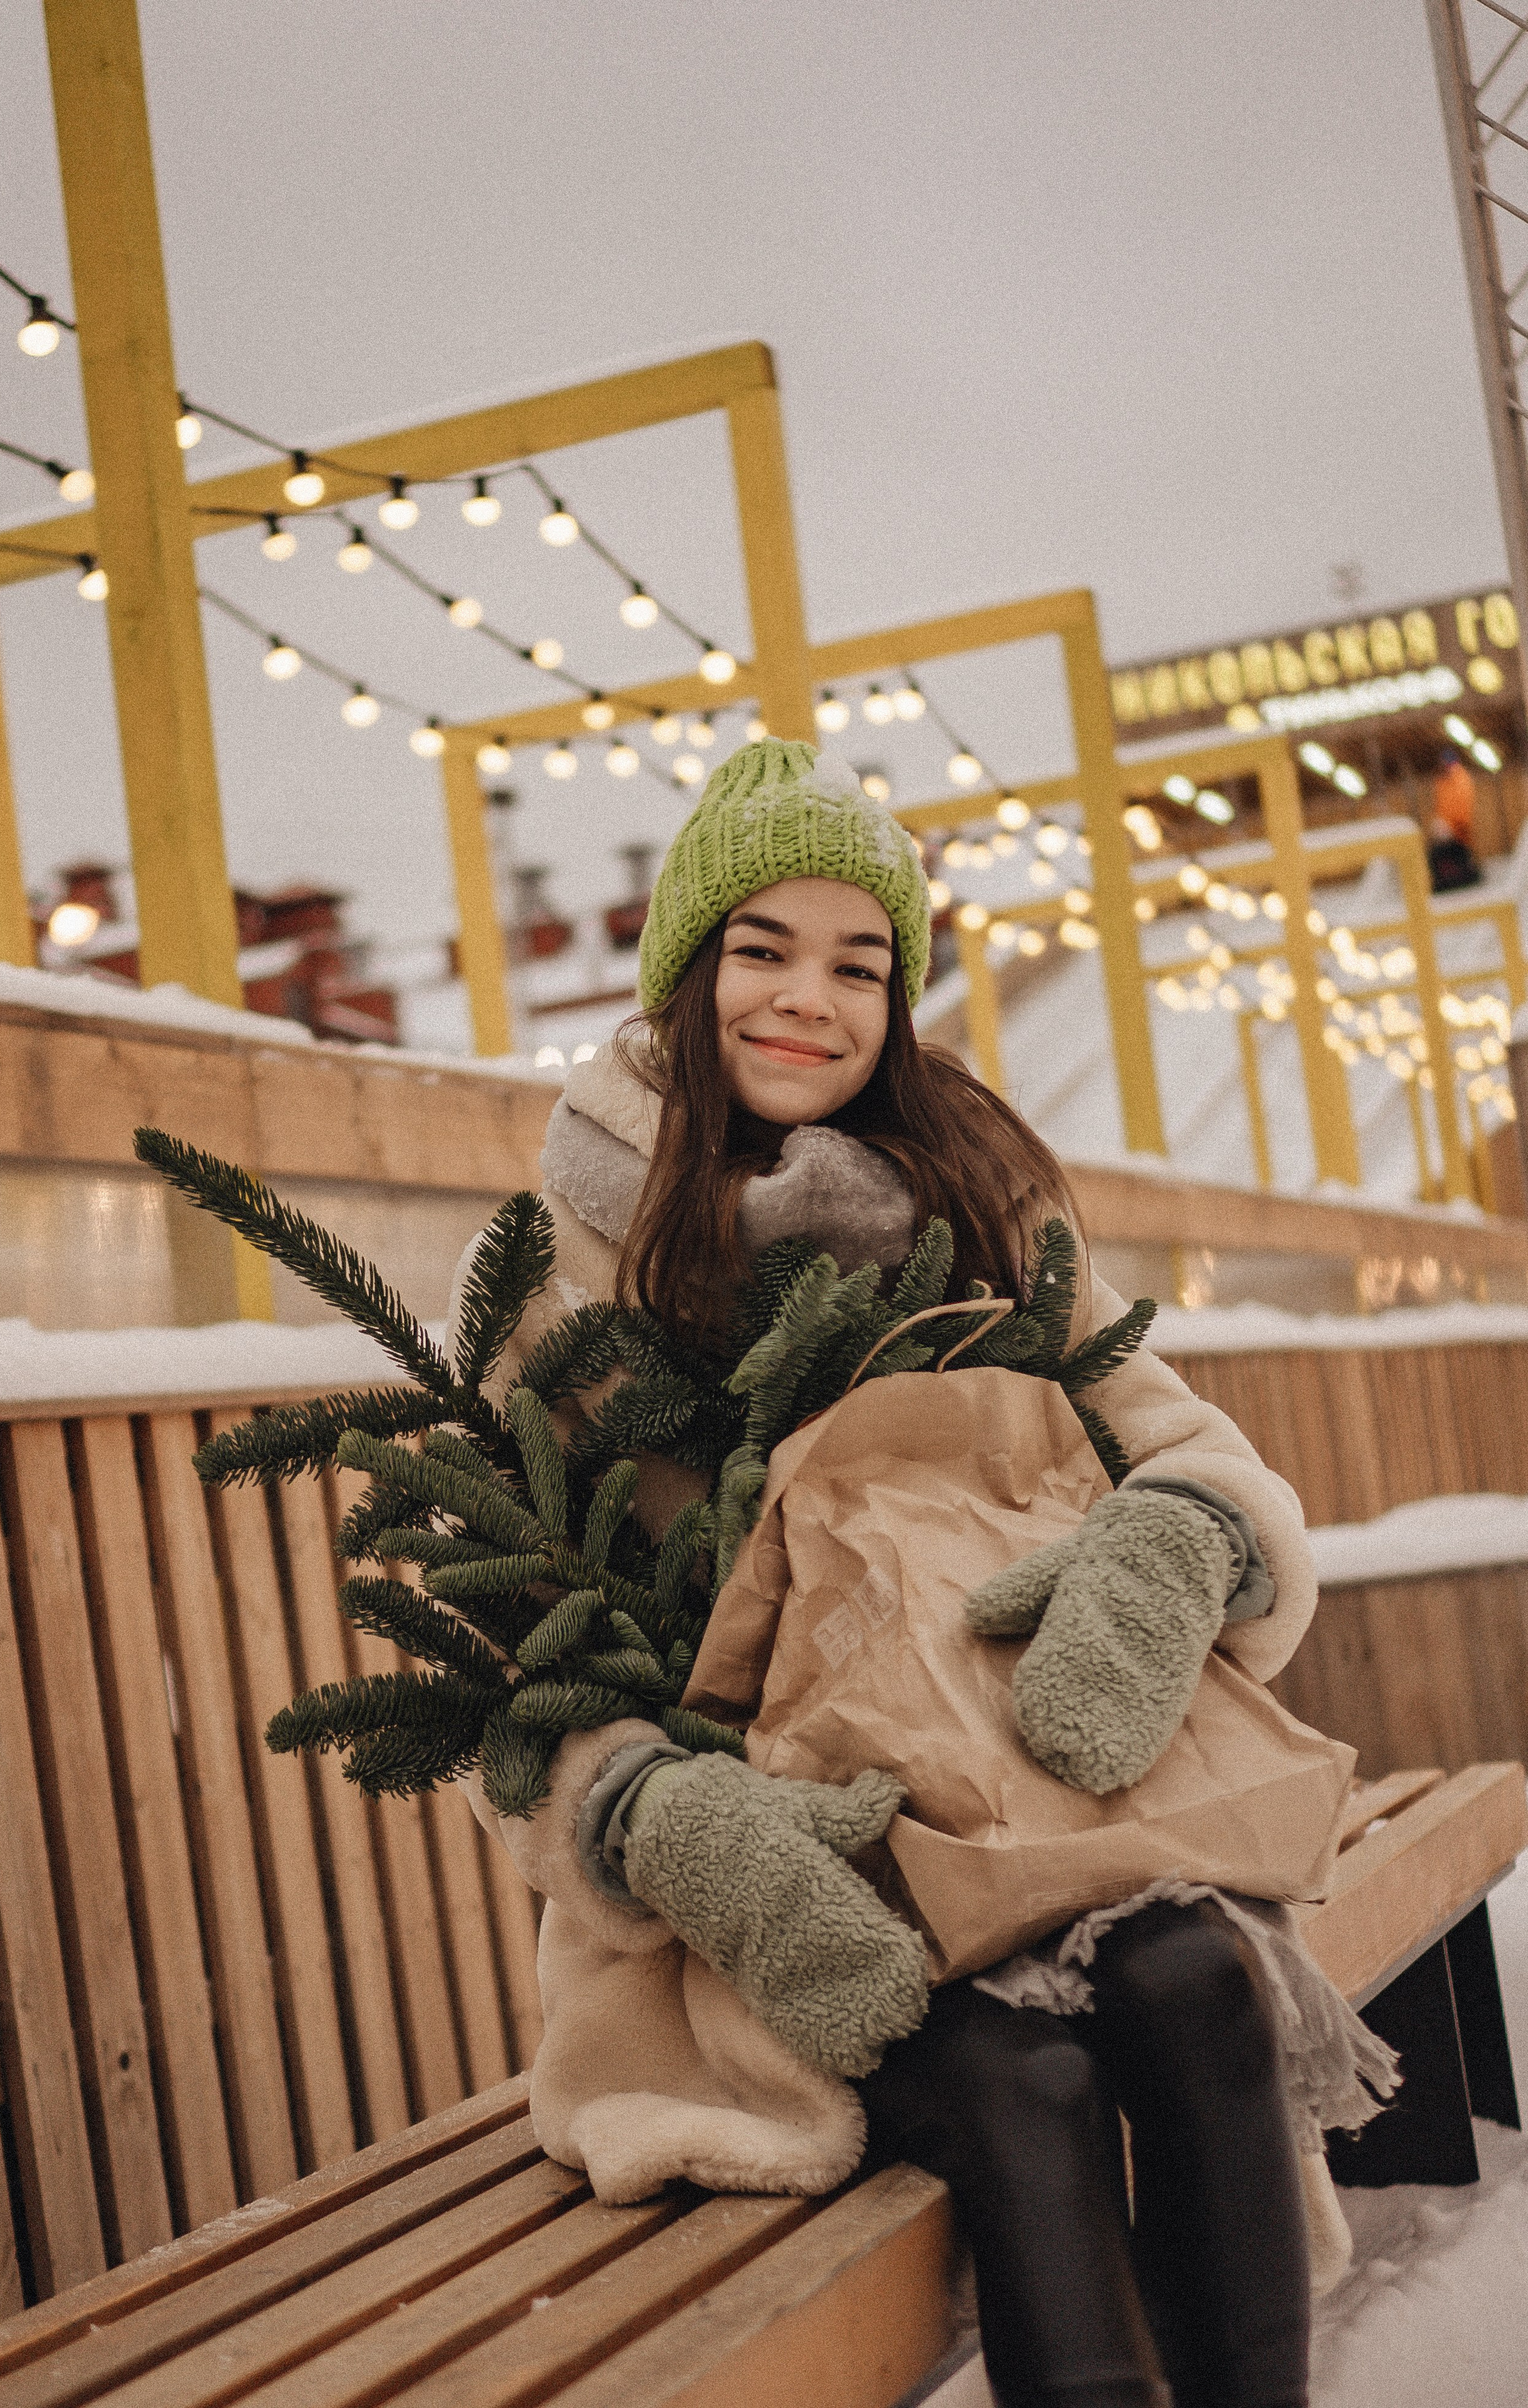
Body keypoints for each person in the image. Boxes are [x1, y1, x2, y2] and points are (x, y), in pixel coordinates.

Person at [447, 739, 1393, 2408]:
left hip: (1041, 1831)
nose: (810, 997)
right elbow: (498, 1652)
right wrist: (653, 1815)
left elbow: (1187, 1449)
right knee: (1021, 2087)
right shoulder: (552, 1267)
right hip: (787, 1899)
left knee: (1192, 1981)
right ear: (684, 974)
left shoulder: (979, 1204)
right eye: (763, 949)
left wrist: (1181, 1544)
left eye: (859, 962)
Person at [1428, 748, 1482, 891]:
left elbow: (1461, 804)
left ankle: (1459, 876)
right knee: (1442, 853)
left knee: (1456, 854)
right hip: (1450, 825)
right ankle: (1448, 877)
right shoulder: (1444, 781)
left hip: (1456, 827)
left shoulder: (1459, 779)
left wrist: (1455, 825)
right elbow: (1442, 804)